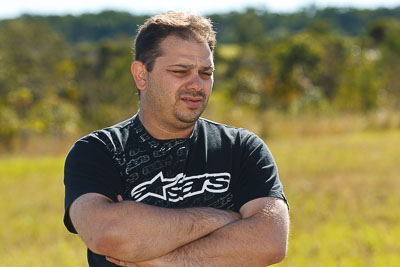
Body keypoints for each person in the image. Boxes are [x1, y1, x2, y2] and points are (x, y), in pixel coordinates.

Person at [63, 11, 289, 267]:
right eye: (180, 71)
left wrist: (165, 260)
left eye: (206, 73)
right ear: (141, 75)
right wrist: (220, 219)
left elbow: (269, 241)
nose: (196, 84)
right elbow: (108, 234)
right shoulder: (99, 152)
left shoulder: (242, 148)